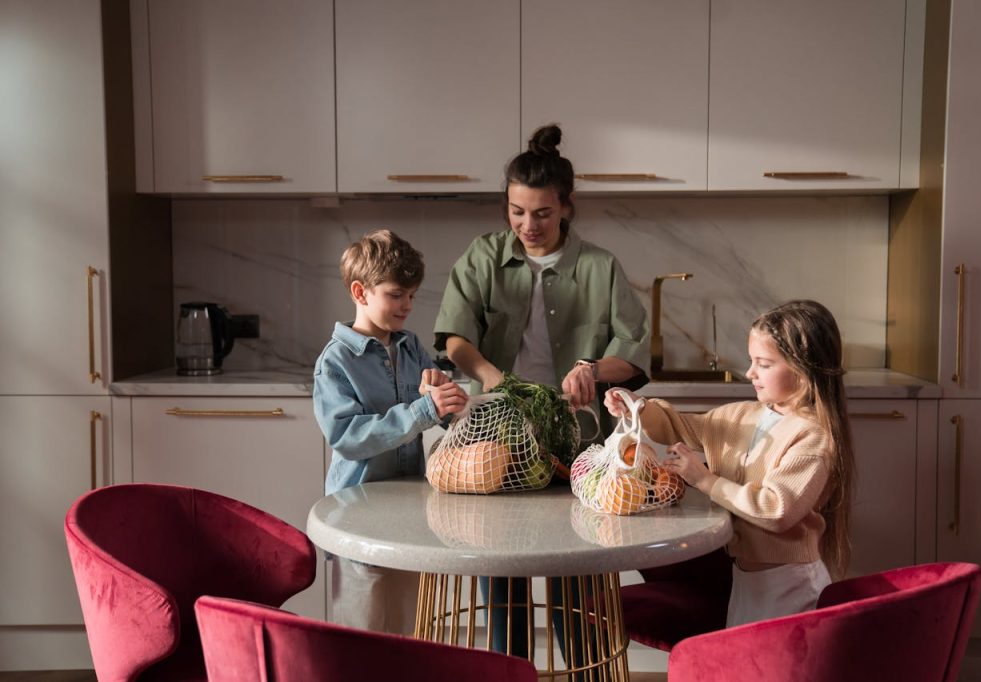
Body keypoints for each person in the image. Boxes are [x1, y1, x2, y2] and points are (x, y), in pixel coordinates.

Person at [433, 124, 651, 662]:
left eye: (542, 214)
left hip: (576, 442)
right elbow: (455, 337)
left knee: (575, 583)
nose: (528, 225)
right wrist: (493, 378)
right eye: (516, 211)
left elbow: (636, 349)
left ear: (567, 208)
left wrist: (593, 368)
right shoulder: (483, 256)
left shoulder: (600, 266)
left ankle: (581, 670)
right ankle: (510, 673)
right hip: (494, 438)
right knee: (501, 580)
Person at [606, 299, 855, 628]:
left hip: (790, 584)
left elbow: (776, 510)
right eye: (752, 361)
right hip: (749, 579)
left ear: (802, 369)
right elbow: (683, 426)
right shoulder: (744, 415)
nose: (750, 372)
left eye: (764, 364)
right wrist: (638, 407)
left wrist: (705, 480)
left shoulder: (813, 438)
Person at [313, 228, 468, 635]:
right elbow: (347, 436)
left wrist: (449, 403)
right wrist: (422, 410)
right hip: (356, 513)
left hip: (408, 507)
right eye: (396, 295)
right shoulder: (336, 362)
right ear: (361, 293)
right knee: (360, 633)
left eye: (412, 295)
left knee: (407, 629)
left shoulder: (410, 346)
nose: (407, 306)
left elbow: (433, 407)